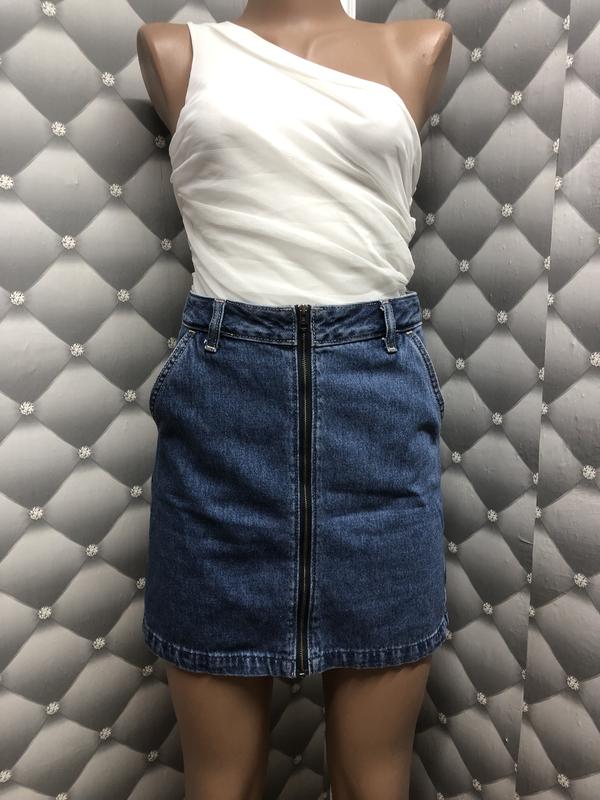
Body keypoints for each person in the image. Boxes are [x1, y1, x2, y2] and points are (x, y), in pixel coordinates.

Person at [137, 3, 453, 798]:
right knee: (221, 781)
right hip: (223, 414)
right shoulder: (174, 50)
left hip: (377, 410)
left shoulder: (419, 43)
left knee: (373, 778)